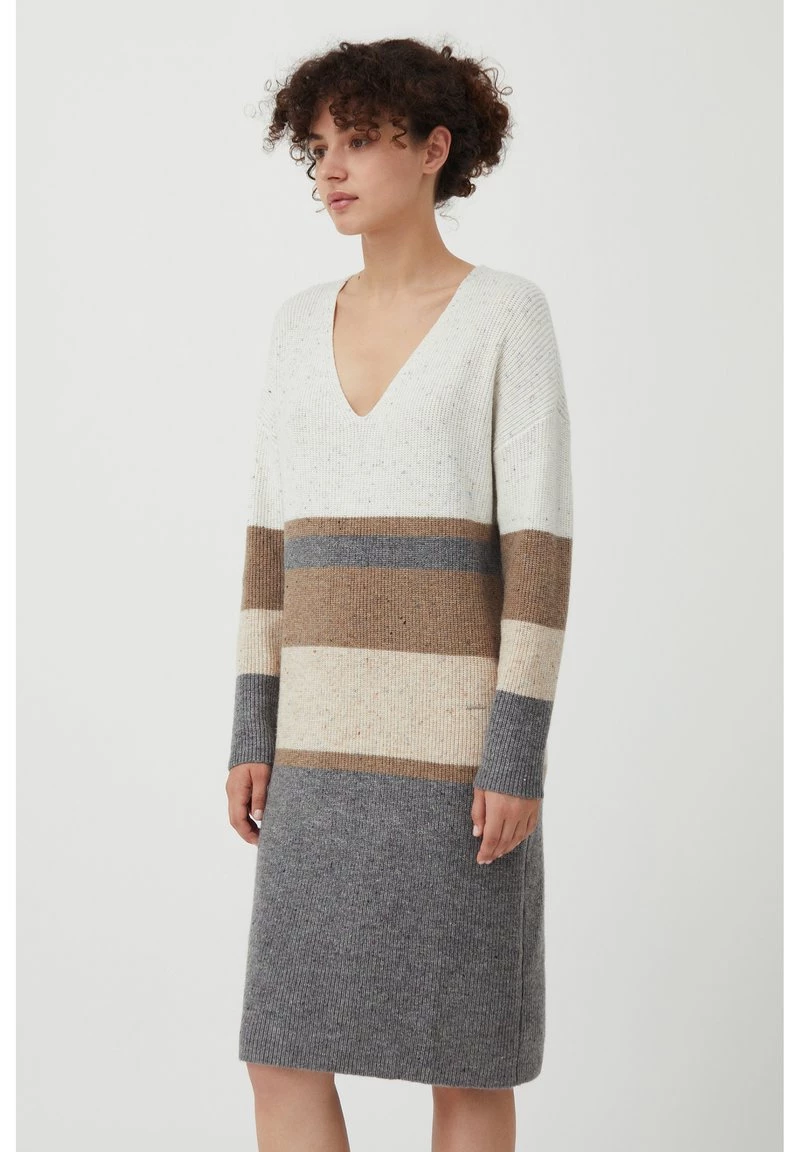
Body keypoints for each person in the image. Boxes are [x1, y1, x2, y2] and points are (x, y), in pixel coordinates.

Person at [225, 36, 574, 1152]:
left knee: (463, 1061)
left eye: (361, 141)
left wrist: (514, 754)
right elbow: (269, 544)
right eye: (318, 147)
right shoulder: (294, 324)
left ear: (433, 150)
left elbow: (539, 553)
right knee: (281, 1052)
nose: (330, 168)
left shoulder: (505, 314)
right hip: (316, 755)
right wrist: (252, 730)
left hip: (455, 764)